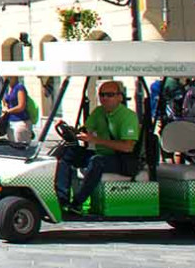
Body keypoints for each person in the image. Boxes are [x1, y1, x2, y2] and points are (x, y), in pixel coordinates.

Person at [56, 79, 139, 212]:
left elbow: (128, 147)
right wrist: (73, 132)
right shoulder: (99, 112)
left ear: (119, 97)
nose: (105, 98)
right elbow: (86, 130)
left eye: (110, 95)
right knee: (67, 154)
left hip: (123, 160)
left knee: (96, 162)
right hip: (102, 155)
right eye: (102, 95)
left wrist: (96, 140)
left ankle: (77, 203)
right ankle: (62, 199)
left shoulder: (128, 117)